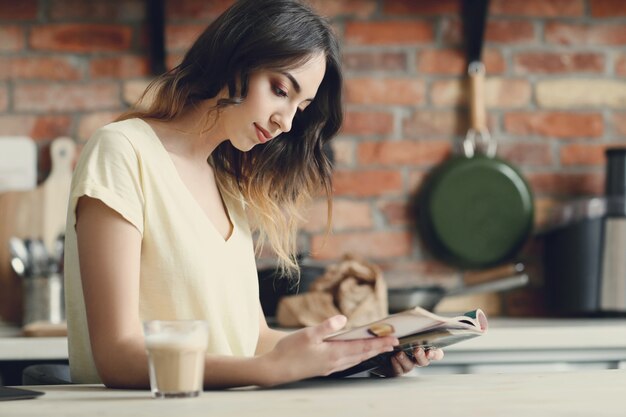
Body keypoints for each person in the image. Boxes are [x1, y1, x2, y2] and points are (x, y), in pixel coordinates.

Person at [64, 0, 443, 389]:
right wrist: (267, 371)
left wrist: (361, 352)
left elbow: (254, 341)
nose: (287, 120)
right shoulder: (123, 152)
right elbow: (116, 355)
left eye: (301, 106)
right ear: (235, 58)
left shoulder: (229, 185)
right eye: (280, 90)